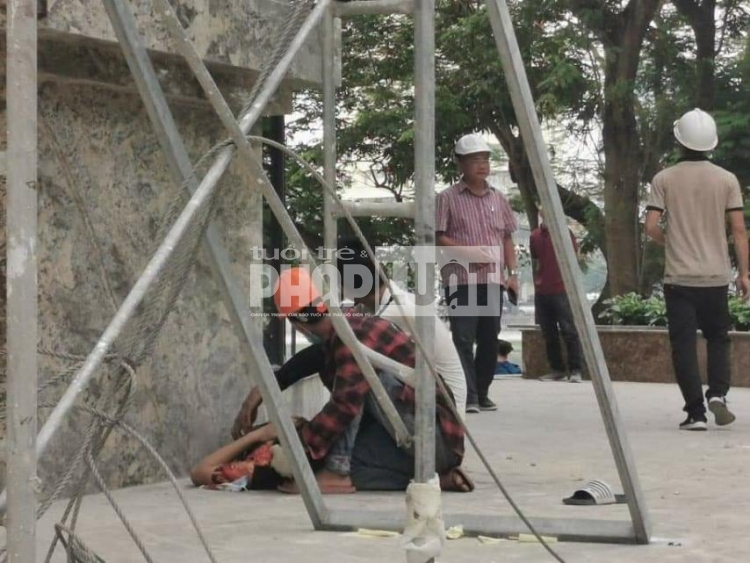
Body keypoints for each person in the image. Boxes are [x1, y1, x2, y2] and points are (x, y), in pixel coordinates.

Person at [223, 267, 471, 492]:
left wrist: (296, 449)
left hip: (435, 437)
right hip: (426, 445)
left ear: (297, 325)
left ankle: (337, 473)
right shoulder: (343, 331)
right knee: (353, 467)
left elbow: (345, 404)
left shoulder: (351, 337)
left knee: (357, 383)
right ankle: (436, 477)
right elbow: (311, 359)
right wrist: (266, 388)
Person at [645, 108, 750, 431]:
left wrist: (672, 242)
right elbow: (738, 230)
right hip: (715, 276)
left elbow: (650, 226)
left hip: (679, 278)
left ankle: (695, 414)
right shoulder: (726, 179)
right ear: (710, 143)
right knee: (719, 337)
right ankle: (717, 393)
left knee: (684, 345)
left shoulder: (664, 179)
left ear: (679, 141)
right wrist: (745, 273)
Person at [336, 236, 468, 418]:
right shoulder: (393, 299)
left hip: (443, 415)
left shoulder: (395, 310)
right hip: (440, 400)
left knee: (352, 365)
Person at [436, 133, 519, 413]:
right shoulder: (447, 198)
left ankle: (482, 391)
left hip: (493, 280)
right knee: (462, 337)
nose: (481, 165)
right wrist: (469, 252)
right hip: (461, 280)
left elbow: (507, 238)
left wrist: (513, 274)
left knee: (489, 337)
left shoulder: (499, 198)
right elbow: (439, 237)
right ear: (460, 163)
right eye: (474, 160)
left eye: (485, 159)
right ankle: (467, 394)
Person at [529, 207, 583, 383]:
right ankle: (556, 368)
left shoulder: (565, 233)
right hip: (542, 290)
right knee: (548, 331)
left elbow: (575, 257)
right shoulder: (535, 236)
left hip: (563, 289)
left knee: (569, 330)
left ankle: (576, 369)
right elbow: (536, 260)